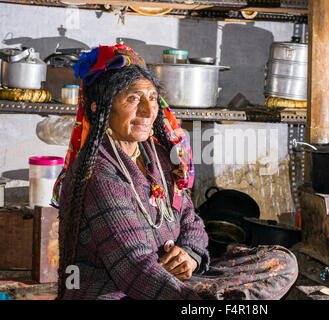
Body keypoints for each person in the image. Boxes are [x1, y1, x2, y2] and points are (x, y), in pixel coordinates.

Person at [53, 44, 298, 300]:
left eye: (152, 98)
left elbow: (192, 221)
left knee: (281, 262)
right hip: (118, 287)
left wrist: (190, 254)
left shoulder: (159, 156)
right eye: (133, 98)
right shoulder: (98, 172)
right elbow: (134, 269)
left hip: (172, 282)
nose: (148, 111)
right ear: (100, 106)